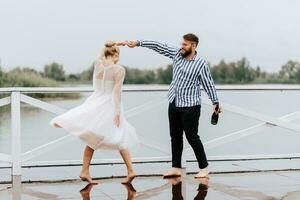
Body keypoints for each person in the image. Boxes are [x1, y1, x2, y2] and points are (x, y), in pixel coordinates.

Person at [124, 33, 222, 178]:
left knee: (192, 136)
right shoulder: (177, 53)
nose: (182, 46)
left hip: (191, 106)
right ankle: (176, 168)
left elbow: (208, 84)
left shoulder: (201, 63)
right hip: (174, 102)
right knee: (175, 136)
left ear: (194, 46)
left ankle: (204, 168)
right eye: (181, 43)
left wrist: (215, 102)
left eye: (185, 44)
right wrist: (138, 42)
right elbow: (158, 46)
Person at [50, 41, 138, 184]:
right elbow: (117, 92)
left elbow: (99, 68)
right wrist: (117, 112)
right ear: (115, 55)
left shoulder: (99, 66)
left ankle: (85, 170)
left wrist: (106, 47)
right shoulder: (119, 70)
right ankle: (129, 170)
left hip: (96, 102)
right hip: (110, 105)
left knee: (94, 136)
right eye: (118, 55)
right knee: (119, 136)